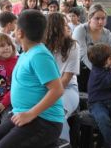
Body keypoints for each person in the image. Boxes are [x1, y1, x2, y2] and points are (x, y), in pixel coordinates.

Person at [0, 10, 64, 148]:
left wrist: (30, 114)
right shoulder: (26, 53)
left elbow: (57, 90)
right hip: (21, 115)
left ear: (19, 33)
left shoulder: (39, 55)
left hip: (45, 121)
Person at [44, 13, 80, 142]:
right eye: (64, 25)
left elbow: (65, 80)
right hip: (44, 88)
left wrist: (46, 99)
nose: (68, 27)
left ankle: (62, 144)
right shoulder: (42, 47)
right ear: (55, 29)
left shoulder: (73, 46)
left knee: (56, 112)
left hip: (67, 89)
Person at [73, 4, 111, 92]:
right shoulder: (80, 30)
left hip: (101, 68)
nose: (101, 22)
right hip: (83, 69)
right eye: (97, 18)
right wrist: (99, 72)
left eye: (103, 18)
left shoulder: (107, 33)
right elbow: (83, 55)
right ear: (89, 18)